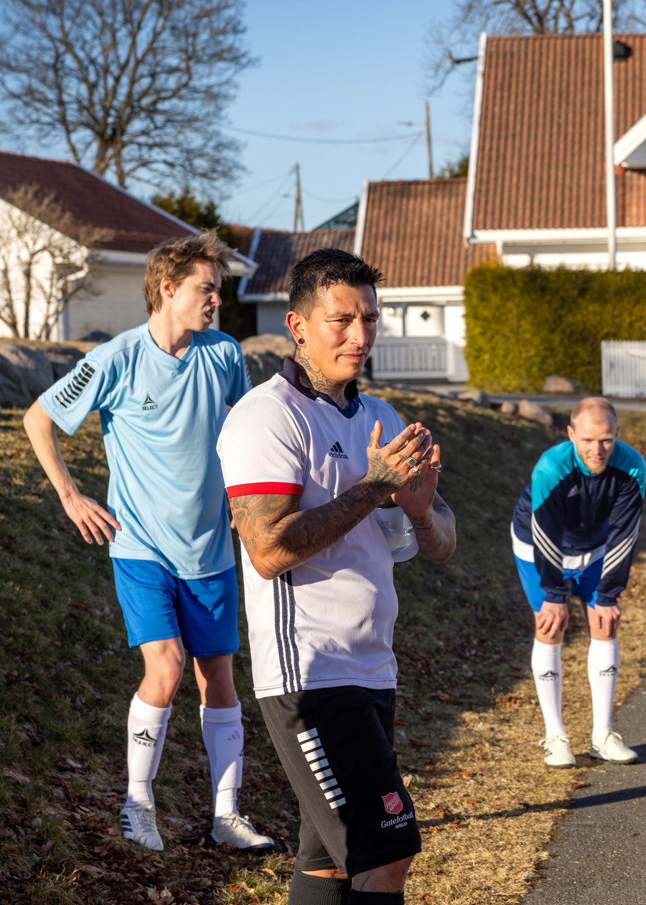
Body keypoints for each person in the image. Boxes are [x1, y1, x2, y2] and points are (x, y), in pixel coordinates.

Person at [218, 248, 456, 905]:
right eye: (341, 320)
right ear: (297, 326)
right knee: (389, 849)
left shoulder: (376, 414)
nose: (361, 335)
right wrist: (370, 488)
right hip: (312, 677)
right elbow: (267, 549)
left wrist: (417, 510)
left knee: (327, 860)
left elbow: (437, 542)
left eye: (370, 319)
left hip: (372, 668)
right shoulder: (267, 417)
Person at [23, 233, 273, 853]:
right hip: (141, 547)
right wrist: (71, 496)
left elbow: (244, 436)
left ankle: (226, 815)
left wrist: (246, 506)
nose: (217, 299)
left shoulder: (223, 355)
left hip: (212, 548)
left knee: (219, 677)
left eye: (218, 289)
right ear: (167, 288)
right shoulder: (117, 358)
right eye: (206, 289)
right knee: (164, 670)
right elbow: (38, 418)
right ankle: (137, 803)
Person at [512, 396, 646, 768]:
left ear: (617, 434)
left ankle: (602, 735)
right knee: (551, 624)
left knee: (605, 621)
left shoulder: (632, 466)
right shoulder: (551, 467)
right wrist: (554, 594)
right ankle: (556, 738)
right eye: (587, 440)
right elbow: (545, 534)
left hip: (596, 548)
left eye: (606, 439)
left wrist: (609, 594)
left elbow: (625, 534)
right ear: (571, 434)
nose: (597, 449)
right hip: (538, 543)